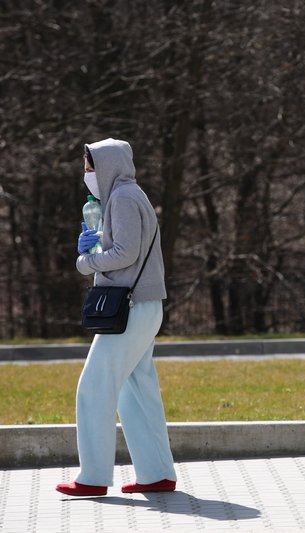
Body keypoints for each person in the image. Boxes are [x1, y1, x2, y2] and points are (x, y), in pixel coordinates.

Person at [56, 139, 176, 497]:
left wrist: (86, 262)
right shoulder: (130, 194)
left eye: (89, 168)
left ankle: (92, 478)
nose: (86, 175)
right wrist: (97, 244)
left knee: (94, 388)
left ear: (107, 166)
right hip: (143, 306)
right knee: (136, 391)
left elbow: (125, 253)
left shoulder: (122, 198)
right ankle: (157, 474)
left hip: (130, 308)